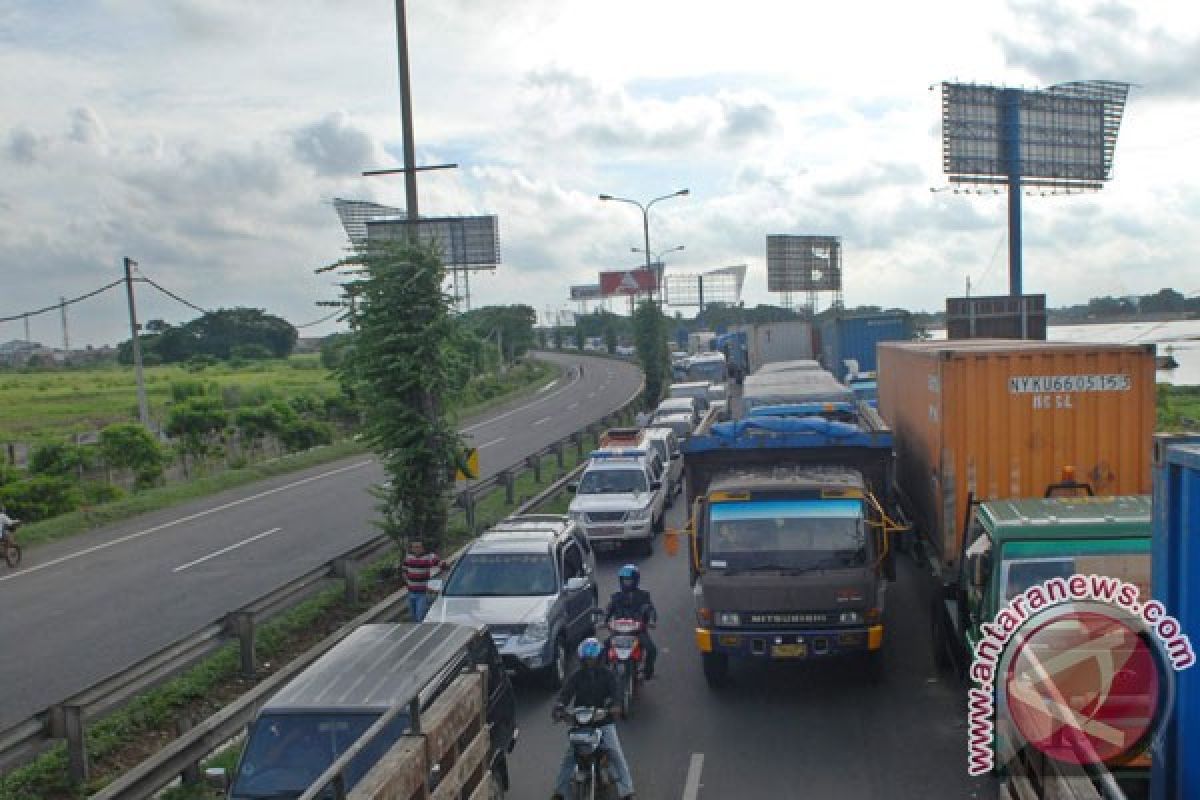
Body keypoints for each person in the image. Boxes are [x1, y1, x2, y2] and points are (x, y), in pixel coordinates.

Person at [551, 638, 635, 800]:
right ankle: (560, 792)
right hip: (581, 722)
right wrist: (559, 707)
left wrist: (616, 706)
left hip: (604, 721)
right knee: (569, 757)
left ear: (599, 658)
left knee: (615, 752)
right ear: (582, 659)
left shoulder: (609, 675)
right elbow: (565, 693)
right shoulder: (577, 676)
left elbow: (616, 692)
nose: (590, 662)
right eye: (587, 659)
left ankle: (628, 790)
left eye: (593, 658)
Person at [605, 564, 658, 679]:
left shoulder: (644, 596)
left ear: (635, 580)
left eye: (629, 580)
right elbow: (608, 610)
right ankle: (605, 676)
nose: (626, 582)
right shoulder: (615, 597)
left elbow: (650, 609)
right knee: (603, 648)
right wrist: (602, 621)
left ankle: (647, 673)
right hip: (619, 632)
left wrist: (652, 620)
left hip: (637, 631)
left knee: (651, 649)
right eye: (624, 580)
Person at [402, 539, 442, 623]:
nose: (416, 549)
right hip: (410, 593)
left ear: (423, 548)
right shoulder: (408, 556)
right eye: (414, 547)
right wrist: (407, 580)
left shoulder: (429, 557)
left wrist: (443, 564)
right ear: (412, 548)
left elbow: (439, 563)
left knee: (420, 617)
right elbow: (404, 569)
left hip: (422, 594)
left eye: (418, 547)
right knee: (413, 617)